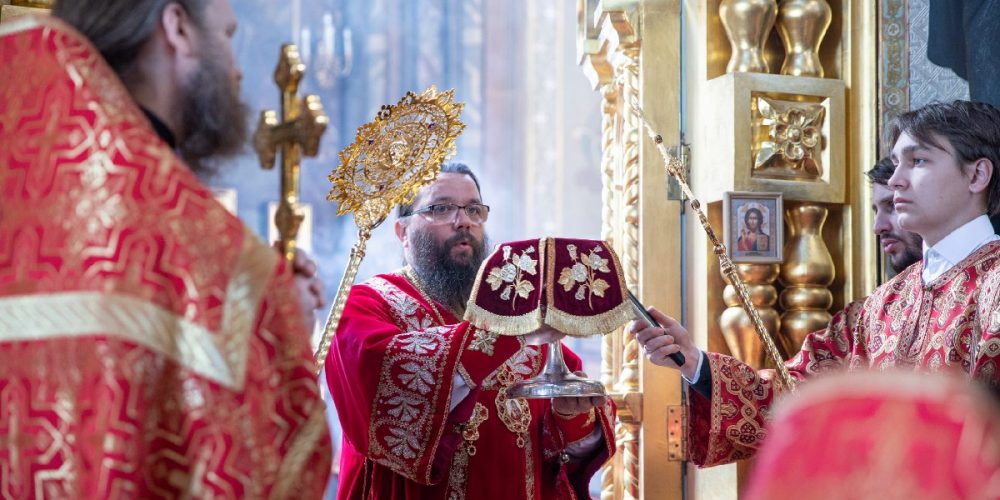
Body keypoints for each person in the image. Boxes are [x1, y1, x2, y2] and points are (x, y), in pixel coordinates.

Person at [0, 1, 331, 496]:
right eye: (226, 36)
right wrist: (270, 324)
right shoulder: (207, 257)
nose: (238, 70)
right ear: (177, 28)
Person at [633, 124, 965, 468]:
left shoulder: (986, 283)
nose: (878, 227)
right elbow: (794, 397)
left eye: (892, 208)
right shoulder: (870, 315)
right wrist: (691, 361)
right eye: (876, 210)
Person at [325, 163, 615, 499]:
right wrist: (510, 335)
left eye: (474, 210)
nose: (463, 221)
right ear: (402, 232)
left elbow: (566, 448)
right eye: (441, 208)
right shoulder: (368, 304)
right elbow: (385, 382)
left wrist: (571, 415)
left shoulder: (518, 316)